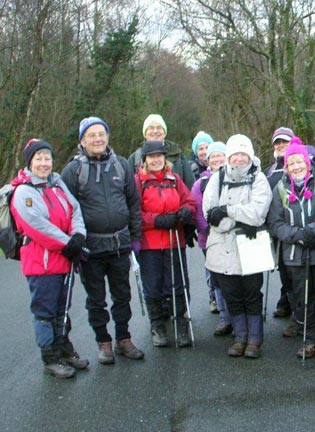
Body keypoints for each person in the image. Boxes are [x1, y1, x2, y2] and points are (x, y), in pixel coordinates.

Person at [61, 116, 144, 365]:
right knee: (96, 299)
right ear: (82, 140)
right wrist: (74, 244)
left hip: (120, 244)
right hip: (90, 249)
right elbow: (66, 210)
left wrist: (135, 238)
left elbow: (133, 203)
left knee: (122, 296)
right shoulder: (73, 171)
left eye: (101, 134)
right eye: (92, 135)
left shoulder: (121, 165)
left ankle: (124, 339)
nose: (98, 139)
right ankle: (103, 342)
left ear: (107, 136)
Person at [10, 139, 88, 378]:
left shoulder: (57, 184)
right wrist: (68, 245)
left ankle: (64, 347)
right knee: (45, 311)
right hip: (41, 264)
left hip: (64, 261)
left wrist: (78, 236)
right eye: (39, 158)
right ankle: (50, 356)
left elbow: (75, 210)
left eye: (47, 158)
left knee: (62, 308)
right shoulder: (23, 191)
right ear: (30, 162)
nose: (44, 163)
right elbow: (37, 226)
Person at [267, 143, 315, 361]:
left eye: (300, 161)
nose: (296, 166)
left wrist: (312, 231)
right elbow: (275, 222)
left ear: (307, 164)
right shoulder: (280, 189)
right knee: (302, 299)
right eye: (291, 163)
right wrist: (297, 235)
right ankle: (311, 337)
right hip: (295, 255)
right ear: (287, 167)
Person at [203, 134, 272, 358]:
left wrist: (228, 210)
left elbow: (258, 212)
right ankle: (239, 337)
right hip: (221, 249)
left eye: (244, 154)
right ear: (229, 156)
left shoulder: (259, 179)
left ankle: (254, 339)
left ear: (250, 156)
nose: (240, 159)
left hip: (250, 247)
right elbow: (211, 214)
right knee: (231, 294)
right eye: (235, 154)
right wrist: (240, 219)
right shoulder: (216, 178)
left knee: (252, 293)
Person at [135, 141, 196, 347]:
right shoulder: (138, 181)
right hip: (149, 243)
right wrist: (156, 220)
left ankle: (181, 323)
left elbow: (189, 200)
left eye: (159, 156)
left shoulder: (174, 179)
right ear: (144, 160)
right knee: (153, 286)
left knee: (177, 283)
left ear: (164, 158)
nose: (155, 160)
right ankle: (157, 325)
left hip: (174, 240)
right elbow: (134, 213)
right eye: (151, 157)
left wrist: (187, 211)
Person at [191, 140, 233, 336]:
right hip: (210, 239)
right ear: (208, 160)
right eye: (213, 156)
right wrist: (211, 229)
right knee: (217, 279)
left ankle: (237, 315)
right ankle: (225, 318)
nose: (217, 158)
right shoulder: (201, 183)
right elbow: (197, 211)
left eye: (220, 155)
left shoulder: (234, 177)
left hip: (233, 237)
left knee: (234, 277)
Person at [264, 126, 295, 320]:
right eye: (278, 142)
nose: (282, 145)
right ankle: (286, 301)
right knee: (284, 268)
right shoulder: (269, 171)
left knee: (296, 271)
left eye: (285, 141)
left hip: (297, 226)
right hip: (277, 228)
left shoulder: (301, 164)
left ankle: (296, 312)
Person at [128, 114, 195, 189]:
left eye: (159, 127)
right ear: (145, 133)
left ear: (164, 132)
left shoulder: (178, 155)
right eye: (151, 128)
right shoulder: (134, 159)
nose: (155, 131)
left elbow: (191, 187)